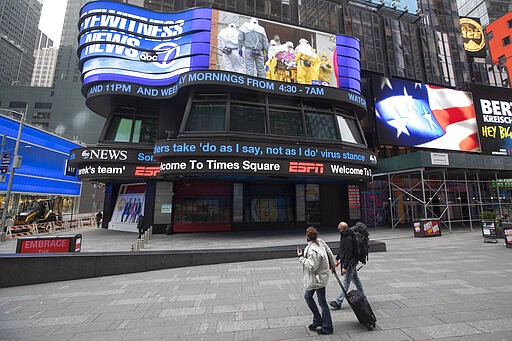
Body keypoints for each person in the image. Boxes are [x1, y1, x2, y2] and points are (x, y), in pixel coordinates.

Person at [297, 226, 334, 335]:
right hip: (320, 277)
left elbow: (312, 266)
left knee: (318, 300)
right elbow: (329, 253)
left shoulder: (313, 250)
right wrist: (332, 266)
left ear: (307, 236)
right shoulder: (320, 242)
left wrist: (301, 258)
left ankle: (327, 326)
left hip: (317, 279)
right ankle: (318, 320)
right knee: (314, 298)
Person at [329, 221, 366, 310]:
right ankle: (363, 297)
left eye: (339, 228)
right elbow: (342, 248)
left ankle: (338, 301)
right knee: (356, 280)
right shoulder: (344, 235)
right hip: (352, 261)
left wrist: (345, 267)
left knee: (346, 282)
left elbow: (348, 253)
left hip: (351, 262)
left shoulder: (348, 237)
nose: (338, 229)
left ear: (341, 228)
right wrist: (337, 258)